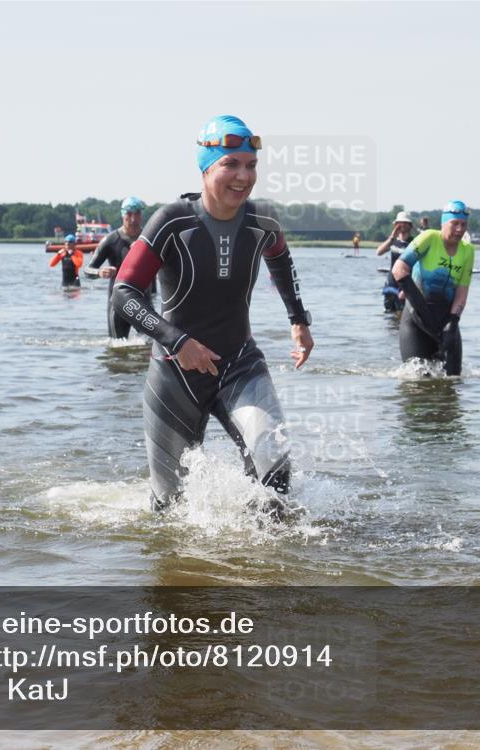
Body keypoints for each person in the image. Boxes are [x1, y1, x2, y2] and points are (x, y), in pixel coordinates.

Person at [112, 114, 313, 520]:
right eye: (230, 164)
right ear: (206, 167)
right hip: (174, 374)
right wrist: (176, 341)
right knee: (170, 510)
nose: (243, 176)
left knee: (275, 471)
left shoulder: (263, 222)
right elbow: (124, 294)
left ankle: (265, 574)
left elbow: (281, 261)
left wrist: (298, 321)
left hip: (240, 363)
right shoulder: (173, 221)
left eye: (251, 165)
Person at [392, 200, 474, 375]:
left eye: (463, 225)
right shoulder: (429, 238)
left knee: (453, 381)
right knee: (418, 383)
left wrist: (453, 322)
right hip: (416, 319)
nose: (460, 229)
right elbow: (398, 269)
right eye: (455, 224)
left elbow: (462, 292)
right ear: (444, 223)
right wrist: (422, 310)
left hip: (446, 322)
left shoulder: (468, 250)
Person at [85, 196, 148, 338]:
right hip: (118, 303)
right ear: (122, 215)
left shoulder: (149, 238)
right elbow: (87, 270)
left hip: (144, 302)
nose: (133, 219)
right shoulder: (111, 240)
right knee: (117, 349)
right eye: (129, 214)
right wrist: (100, 272)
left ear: (141, 215)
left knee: (151, 347)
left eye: (137, 213)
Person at [376, 210, 414, 312]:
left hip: (405, 285)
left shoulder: (414, 243)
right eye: (399, 223)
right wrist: (392, 237)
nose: (402, 225)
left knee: (401, 315)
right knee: (388, 315)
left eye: (405, 223)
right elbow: (379, 252)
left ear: (410, 226)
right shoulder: (393, 242)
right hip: (391, 283)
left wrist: (408, 290)